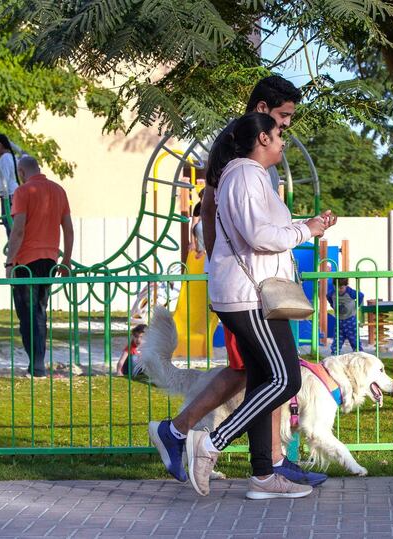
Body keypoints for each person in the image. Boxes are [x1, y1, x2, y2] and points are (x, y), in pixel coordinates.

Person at [148, 76, 328, 489]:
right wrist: (304, 232)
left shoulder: (243, 170)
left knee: (260, 375)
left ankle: (265, 467)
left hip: (246, 288)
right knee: (276, 377)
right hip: (247, 292)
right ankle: (202, 440)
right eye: (282, 122)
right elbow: (244, 229)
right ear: (261, 122)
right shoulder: (243, 173)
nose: (286, 132)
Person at [5, 155, 74, 378]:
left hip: (26, 262)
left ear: (22, 172)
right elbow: (69, 229)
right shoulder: (58, 191)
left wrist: (9, 262)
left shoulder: (23, 192)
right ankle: (38, 363)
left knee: (26, 314)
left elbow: (18, 231)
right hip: (50, 260)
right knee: (40, 312)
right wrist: (66, 260)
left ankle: (36, 365)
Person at [0, 134, 20, 236]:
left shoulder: (4, 158)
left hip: (9, 195)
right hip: (15, 193)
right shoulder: (13, 157)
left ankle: (13, 248)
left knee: (9, 223)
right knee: (13, 223)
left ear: (0, 145)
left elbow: (4, 179)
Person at [327, 278, 363, 355]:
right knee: (337, 340)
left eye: (341, 287)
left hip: (350, 320)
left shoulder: (350, 292)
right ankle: (334, 355)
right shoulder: (332, 293)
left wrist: (356, 305)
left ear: (346, 286)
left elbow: (360, 296)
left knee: (354, 340)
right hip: (339, 321)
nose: (339, 290)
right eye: (336, 287)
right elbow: (328, 297)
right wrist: (333, 305)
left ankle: (359, 354)